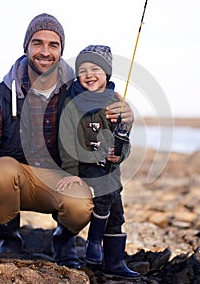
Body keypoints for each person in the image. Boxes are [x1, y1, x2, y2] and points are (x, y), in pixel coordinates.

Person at [0, 14, 134, 270]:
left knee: (82, 204)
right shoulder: (3, 94)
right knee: (0, 171)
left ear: (61, 51)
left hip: (60, 178)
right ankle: (9, 237)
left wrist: (127, 115)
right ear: (26, 47)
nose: (45, 52)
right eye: (37, 43)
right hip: (18, 177)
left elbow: (110, 103)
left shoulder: (78, 91)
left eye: (53, 45)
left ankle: (64, 240)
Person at [56, 45, 140, 278]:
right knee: (100, 194)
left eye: (95, 69)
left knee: (116, 214)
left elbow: (125, 141)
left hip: (110, 170)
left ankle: (114, 262)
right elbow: (66, 141)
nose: (88, 74)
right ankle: (91, 242)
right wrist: (70, 172)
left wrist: (119, 154)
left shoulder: (116, 103)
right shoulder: (71, 103)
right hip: (83, 167)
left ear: (107, 73)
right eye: (82, 70)